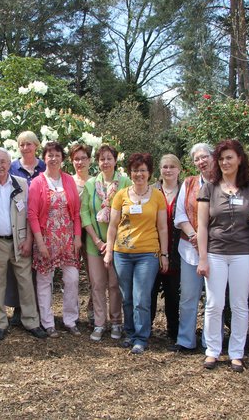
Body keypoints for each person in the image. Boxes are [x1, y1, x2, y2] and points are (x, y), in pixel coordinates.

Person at [0, 148, 47, 341]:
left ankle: (31, 321)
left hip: (20, 242)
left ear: (9, 163)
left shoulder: (21, 184)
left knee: (25, 282)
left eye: (3, 162)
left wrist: (29, 240)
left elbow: (31, 215)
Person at [196, 139, 249, 372]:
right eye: (221, 159)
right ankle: (212, 351)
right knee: (214, 304)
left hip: (243, 253)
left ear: (239, 159)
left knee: (240, 304)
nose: (225, 162)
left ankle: (236, 354)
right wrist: (203, 257)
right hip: (216, 253)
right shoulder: (209, 187)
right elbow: (202, 226)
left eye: (229, 157)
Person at [104, 153, 169, 355]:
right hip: (122, 254)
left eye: (142, 170)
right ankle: (130, 334)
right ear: (130, 172)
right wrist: (108, 251)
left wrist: (164, 254)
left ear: (149, 173)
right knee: (127, 298)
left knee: (141, 297)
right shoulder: (121, 195)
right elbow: (113, 226)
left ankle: (141, 338)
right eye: (135, 170)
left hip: (147, 254)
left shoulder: (157, 196)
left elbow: (163, 228)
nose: (138, 174)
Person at [28, 141, 82, 338]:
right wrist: (39, 242)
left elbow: (76, 212)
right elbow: (32, 214)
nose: (53, 158)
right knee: (44, 281)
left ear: (62, 158)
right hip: (46, 239)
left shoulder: (68, 180)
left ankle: (70, 320)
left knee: (72, 278)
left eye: (57, 155)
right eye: (50, 155)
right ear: (44, 158)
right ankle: (48, 322)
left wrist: (77, 237)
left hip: (67, 239)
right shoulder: (37, 182)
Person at [81, 144, 131, 341]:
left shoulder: (125, 182)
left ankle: (117, 322)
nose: (105, 162)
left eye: (109, 158)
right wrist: (96, 239)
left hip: (119, 244)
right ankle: (99, 323)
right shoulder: (91, 184)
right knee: (97, 284)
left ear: (115, 160)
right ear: (97, 162)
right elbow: (84, 213)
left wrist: (112, 242)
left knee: (115, 284)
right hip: (95, 244)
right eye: (102, 159)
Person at [171, 143, 215, 353]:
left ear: (213, 157)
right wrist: (195, 236)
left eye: (204, 157)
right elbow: (179, 215)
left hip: (217, 250)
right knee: (188, 297)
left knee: (213, 299)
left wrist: (207, 238)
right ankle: (186, 339)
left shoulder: (223, 183)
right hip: (189, 248)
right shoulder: (188, 184)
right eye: (197, 159)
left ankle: (210, 342)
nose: (201, 162)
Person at [6, 130, 46, 326]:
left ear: (36, 146)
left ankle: (38, 306)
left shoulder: (44, 167)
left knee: (38, 267)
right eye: (22, 144)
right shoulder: (12, 167)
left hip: (42, 223)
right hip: (19, 222)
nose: (25, 147)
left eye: (29, 144)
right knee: (19, 266)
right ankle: (18, 307)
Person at [150, 154, 182, 342]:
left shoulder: (186, 190)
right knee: (150, 292)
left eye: (172, 167)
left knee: (173, 294)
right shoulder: (153, 191)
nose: (168, 170)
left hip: (177, 250)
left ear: (179, 169)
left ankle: (174, 332)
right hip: (153, 250)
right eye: (164, 167)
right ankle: (146, 330)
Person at [69, 143, 94, 325]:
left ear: (90, 160)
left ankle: (93, 311)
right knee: (71, 276)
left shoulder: (96, 182)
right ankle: (72, 312)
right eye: (76, 159)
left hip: (92, 235)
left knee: (94, 276)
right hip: (71, 235)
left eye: (83, 158)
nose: (80, 162)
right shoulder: (67, 182)